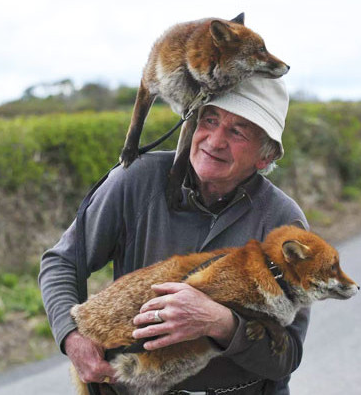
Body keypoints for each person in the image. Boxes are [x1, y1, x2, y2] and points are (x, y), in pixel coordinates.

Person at [39, 76, 309, 394]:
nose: (215, 140)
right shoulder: (135, 181)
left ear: (265, 156)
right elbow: (62, 262)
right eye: (210, 119)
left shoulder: (282, 224)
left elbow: (286, 354)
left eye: (238, 131)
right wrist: (71, 337)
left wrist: (220, 323)